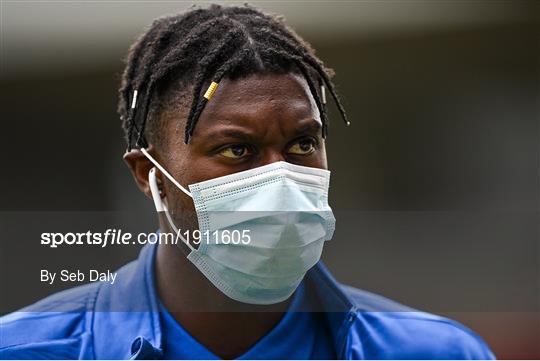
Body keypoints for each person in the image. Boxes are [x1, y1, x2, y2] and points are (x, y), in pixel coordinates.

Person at [0, 4, 495, 360]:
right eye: (237, 150)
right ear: (151, 176)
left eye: (303, 144)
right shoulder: (29, 351)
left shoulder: (437, 352)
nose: (279, 178)